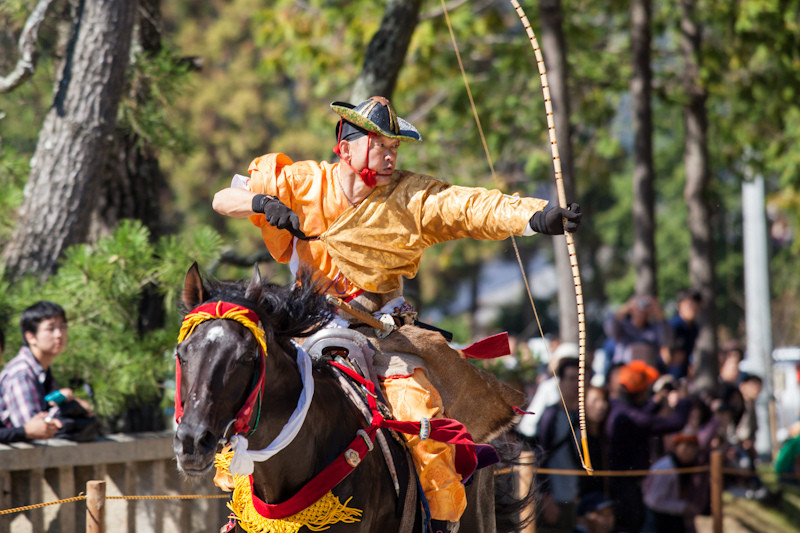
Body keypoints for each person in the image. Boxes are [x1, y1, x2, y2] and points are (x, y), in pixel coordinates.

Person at [212, 96, 583, 530]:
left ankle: (439, 523)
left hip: (381, 334)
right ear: (345, 147)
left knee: (421, 421)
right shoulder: (302, 181)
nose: (389, 157)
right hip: (305, 326)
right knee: (248, 397)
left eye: (394, 149)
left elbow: (471, 206)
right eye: (379, 146)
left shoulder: (412, 197)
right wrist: (261, 204)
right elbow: (224, 198)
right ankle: (244, 513)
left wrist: (536, 216)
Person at [605, 360, 690, 533]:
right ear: (640, 392)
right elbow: (675, 423)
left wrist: (656, 402)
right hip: (628, 487)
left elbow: (641, 416)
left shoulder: (618, 406)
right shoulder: (632, 418)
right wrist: (682, 399)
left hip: (624, 482)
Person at [0, 301, 96, 441]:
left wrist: (70, 402)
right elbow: (34, 429)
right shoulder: (21, 373)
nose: (59, 335)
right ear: (30, 337)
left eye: (62, 327)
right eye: (51, 329)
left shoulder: (41, 371)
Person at [534, 357, 581, 531]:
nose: (576, 384)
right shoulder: (551, 416)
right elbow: (541, 457)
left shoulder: (579, 416)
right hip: (553, 498)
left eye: (580, 379)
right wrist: (547, 497)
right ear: (560, 382)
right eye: (571, 378)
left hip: (572, 494)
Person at [642, 432, 708, 533]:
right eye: (686, 447)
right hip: (657, 518)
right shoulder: (665, 468)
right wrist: (683, 507)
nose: (689, 451)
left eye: (693, 447)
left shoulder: (685, 466)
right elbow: (654, 501)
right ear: (675, 447)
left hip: (671, 516)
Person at [604, 294, 670, 369]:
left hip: (647, 372)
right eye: (637, 308)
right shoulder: (623, 327)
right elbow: (609, 329)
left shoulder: (653, 329)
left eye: (644, 309)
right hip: (624, 371)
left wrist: (658, 313)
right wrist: (626, 307)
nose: (641, 311)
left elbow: (666, 340)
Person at [666, 289, 702, 379]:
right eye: (690, 304)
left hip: (683, 375)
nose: (693, 308)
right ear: (679, 305)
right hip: (667, 374)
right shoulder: (673, 325)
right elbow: (665, 353)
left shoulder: (694, 328)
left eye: (696, 304)